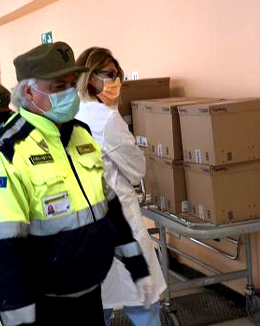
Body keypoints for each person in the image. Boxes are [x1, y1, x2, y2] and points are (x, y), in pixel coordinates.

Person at [0, 42, 154, 325]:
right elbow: (3, 251)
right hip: (46, 306)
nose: (70, 93)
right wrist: (20, 320)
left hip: (91, 295)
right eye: (58, 87)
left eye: (71, 84)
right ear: (29, 92)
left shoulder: (80, 135)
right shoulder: (5, 152)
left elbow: (109, 207)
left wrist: (137, 265)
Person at [75, 47, 167, 326]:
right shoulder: (106, 119)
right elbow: (137, 169)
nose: (115, 81)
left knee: (95, 305)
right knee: (143, 305)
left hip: (86, 225)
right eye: (109, 74)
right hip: (120, 218)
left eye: (118, 74)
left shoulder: (71, 114)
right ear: (90, 78)